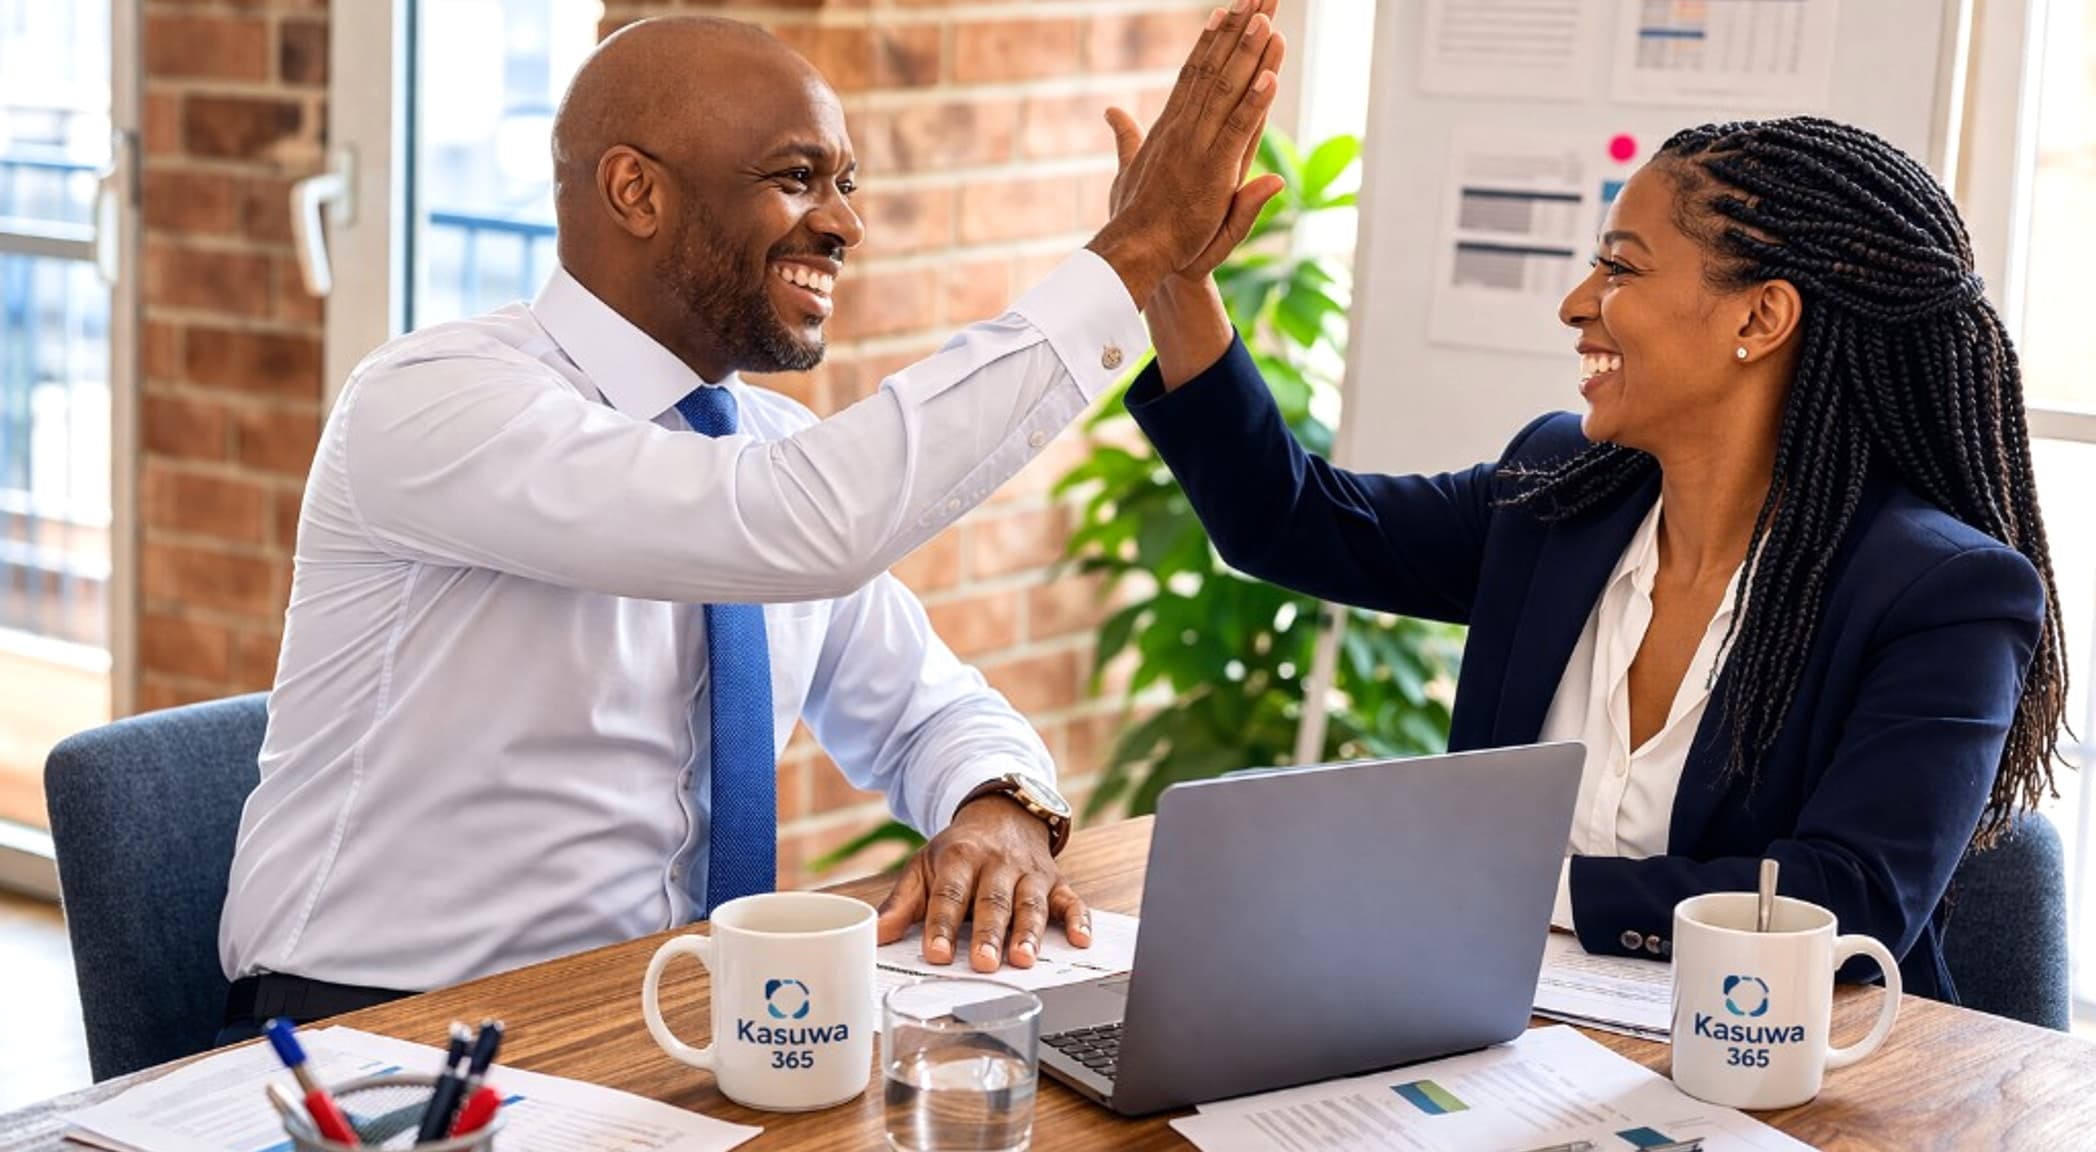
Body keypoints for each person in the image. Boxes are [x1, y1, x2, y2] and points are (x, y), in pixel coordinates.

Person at [217, 6, 1289, 1040]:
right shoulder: (437, 401)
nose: (844, 222)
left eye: (845, 183)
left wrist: (996, 806)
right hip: (385, 1034)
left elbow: (930, 711)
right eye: (794, 178)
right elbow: (790, 527)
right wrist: (1134, 252)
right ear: (634, 190)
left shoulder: (764, 448)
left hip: (669, 1020)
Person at [1123, 116, 2065, 1003]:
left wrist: (1522, 888)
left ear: (1761, 317)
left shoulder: (1940, 593)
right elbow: (1289, 521)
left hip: (1803, 1083)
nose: (1579, 304)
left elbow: (1846, 903)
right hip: (1503, 1037)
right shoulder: (1562, 491)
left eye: (1620, 268)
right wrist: (1176, 276)